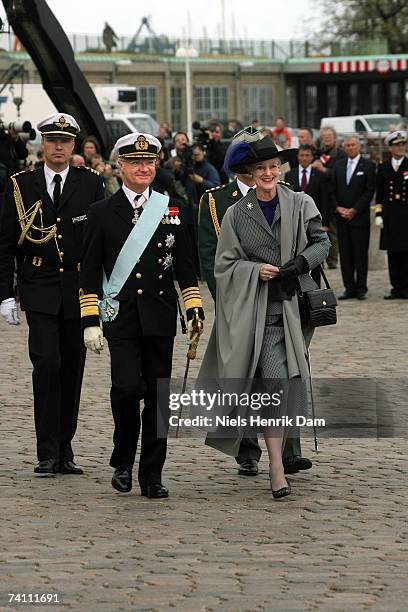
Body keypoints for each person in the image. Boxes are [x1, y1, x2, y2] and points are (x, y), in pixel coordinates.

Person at [199, 136, 330, 498]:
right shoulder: (236, 214)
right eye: (261, 169)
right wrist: (256, 270)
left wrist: (301, 263)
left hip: (297, 312)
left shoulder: (301, 202)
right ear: (251, 174)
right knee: (275, 386)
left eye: (273, 167)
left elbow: (322, 242)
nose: (269, 173)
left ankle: (278, 456)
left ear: (280, 169)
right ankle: (275, 466)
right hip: (262, 312)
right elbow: (223, 264)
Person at [79, 132, 204, 499]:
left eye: (149, 162)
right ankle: (122, 459)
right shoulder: (102, 212)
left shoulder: (173, 207)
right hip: (121, 316)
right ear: (120, 167)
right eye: (135, 163)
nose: (144, 168)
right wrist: (90, 321)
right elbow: (88, 272)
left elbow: (185, 266)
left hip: (160, 315)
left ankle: (152, 474)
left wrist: (193, 305)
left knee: (158, 397)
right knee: (125, 389)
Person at [0, 113, 105, 475]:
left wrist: (103, 290)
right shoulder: (21, 185)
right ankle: (46, 449)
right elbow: (5, 244)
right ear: (41, 144)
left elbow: (99, 243)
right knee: (46, 365)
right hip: (39, 286)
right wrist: (5, 294)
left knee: (73, 368)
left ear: (74, 145)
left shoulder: (90, 184)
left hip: (77, 289)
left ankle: (65, 446)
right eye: (52, 139)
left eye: (65, 140)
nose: (58, 146)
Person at [330, 136, 376, 300]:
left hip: (359, 218)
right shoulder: (338, 165)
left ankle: (361, 287)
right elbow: (332, 189)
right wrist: (337, 207)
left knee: (360, 254)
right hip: (341, 218)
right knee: (346, 254)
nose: (350, 148)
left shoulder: (369, 165)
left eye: (353, 145)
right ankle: (349, 288)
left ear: (359, 147)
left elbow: (369, 191)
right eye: (347, 145)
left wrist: (355, 209)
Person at [375, 131, 408, 299]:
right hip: (389, 217)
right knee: (393, 254)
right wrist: (378, 214)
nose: (401, 147)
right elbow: (379, 193)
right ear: (390, 148)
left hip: (406, 217)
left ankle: (406, 287)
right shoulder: (383, 166)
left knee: (406, 253)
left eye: (403, 144)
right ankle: (396, 287)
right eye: (397, 145)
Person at [313, 126, 347, 269]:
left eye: (329, 135)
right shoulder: (317, 153)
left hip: (332, 196)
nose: (327, 138)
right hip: (318, 197)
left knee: (332, 231)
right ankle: (317, 260)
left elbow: (341, 175)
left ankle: (332, 261)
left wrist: (324, 170)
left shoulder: (340, 155)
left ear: (334, 137)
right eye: (324, 135)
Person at [285, 145, 329, 229]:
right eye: (302, 155)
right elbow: (287, 199)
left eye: (307, 155)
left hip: (315, 217)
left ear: (312, 157)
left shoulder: (320, 175)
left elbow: (324, 200)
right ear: (298, 157)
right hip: (295, 218)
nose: (304, 158)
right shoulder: (289, 175)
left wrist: (325, 223)